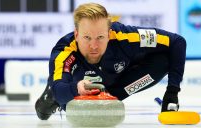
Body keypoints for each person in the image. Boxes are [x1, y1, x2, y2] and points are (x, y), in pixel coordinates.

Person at [35, 3, 186, 120]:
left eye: (100, 37)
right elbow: (59, 89)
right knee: (56, 98)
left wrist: (172, 92)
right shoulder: (64, 51)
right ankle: (48, 99)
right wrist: (76, 89)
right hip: (74, 90)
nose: (94, 46)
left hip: (116, 83)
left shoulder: (125, 35)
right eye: (87, 37)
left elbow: (177, 42)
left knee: (164, 61)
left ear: (109, 33)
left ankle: (111, 97)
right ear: (76, 34)